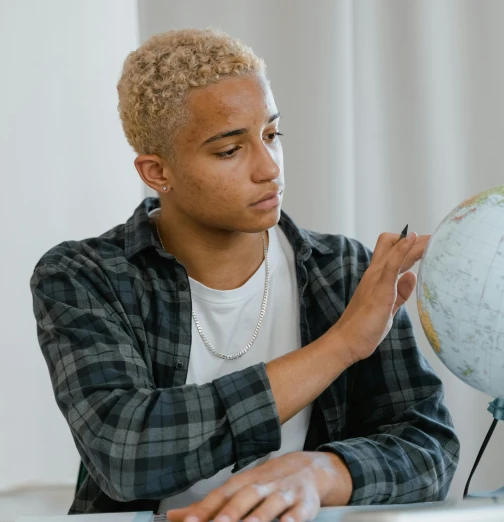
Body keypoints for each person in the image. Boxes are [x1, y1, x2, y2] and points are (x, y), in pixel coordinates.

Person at [30, 28, 459, 521]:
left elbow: (429, 447)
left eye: (272, 135)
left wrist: (323, 473)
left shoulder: (343, 272)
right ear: (156, 172)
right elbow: (125, 453)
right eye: (229, 150)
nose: (269, 168)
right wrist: (340, 345)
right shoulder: (84, 277)